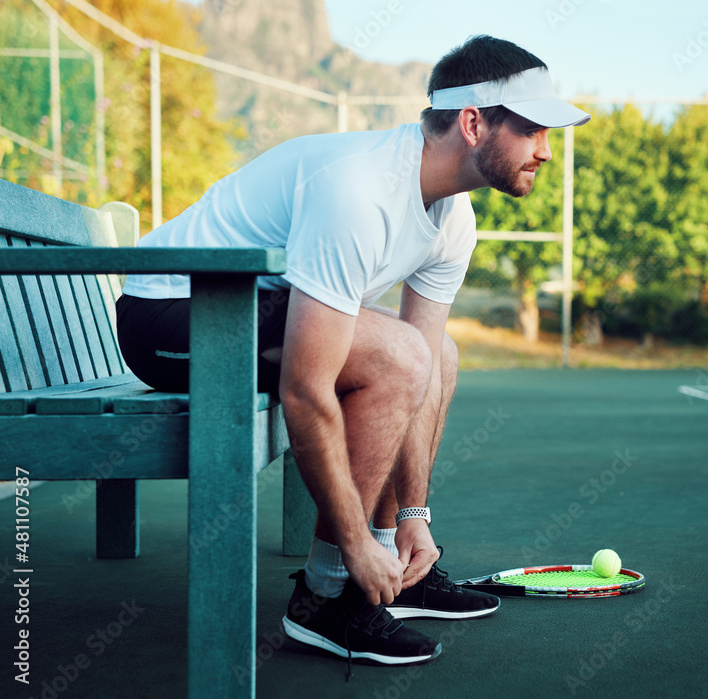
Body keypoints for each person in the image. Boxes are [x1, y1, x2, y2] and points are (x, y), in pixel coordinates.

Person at [114, 34, 590, 672]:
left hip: (255, 305)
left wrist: (413, 517)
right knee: (397, 353)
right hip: (173, 316)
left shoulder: (454, 219)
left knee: (434, 353)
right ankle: (327, 596)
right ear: (474, 123)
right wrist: (352, 540)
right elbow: (305, 391)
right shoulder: (358, 189)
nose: (547, 152)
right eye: (534, 130)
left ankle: (400, 566)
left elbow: (425, 360)